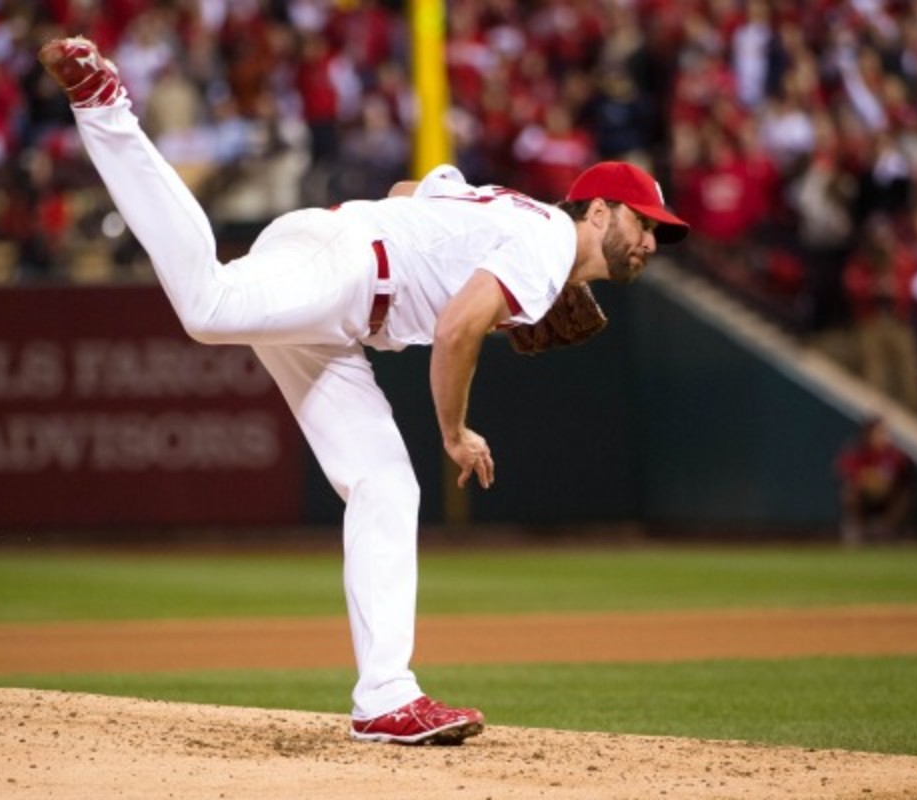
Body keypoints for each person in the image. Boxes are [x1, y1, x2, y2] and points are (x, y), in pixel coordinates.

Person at [38, 36, 689, 745]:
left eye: (659, 231)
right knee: (208, 308)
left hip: (342, 304)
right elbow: (454, 329)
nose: (652, 241)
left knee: (385, 485)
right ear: (597, 212)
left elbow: (413, 192)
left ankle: (385, 697)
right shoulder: (548, 244)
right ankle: (107, 109)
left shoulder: (520, 218)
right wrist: (454, 431)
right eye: (644, 222)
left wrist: (451, 259)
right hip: (342, 268)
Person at [834, 417, 917, 546]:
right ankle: (857, 530)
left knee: (905, 495)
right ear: (868, 434)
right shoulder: (858, 452)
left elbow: (900, 472)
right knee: (849, 492)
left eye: (884, 433)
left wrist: (881, 482)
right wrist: (870, 481)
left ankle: (888, 530)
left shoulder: (893, 453)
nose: (883, 437)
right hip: (865, 497)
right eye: (878, 433)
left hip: (888, 497)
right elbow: (845, 470)